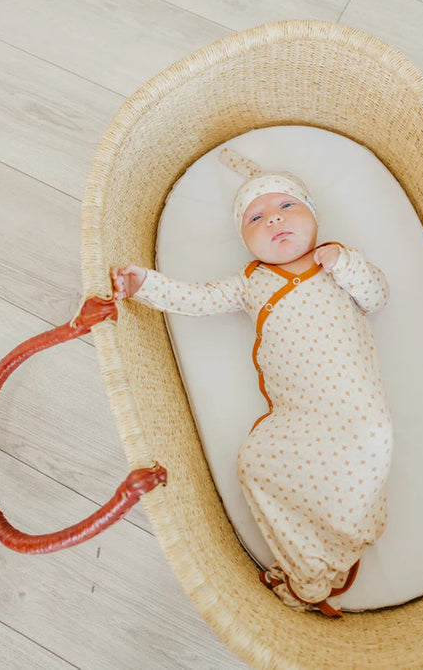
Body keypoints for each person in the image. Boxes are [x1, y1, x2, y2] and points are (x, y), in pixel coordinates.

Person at [110, 146, 393, 617]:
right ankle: (311, 562)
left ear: (314, 218)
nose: (274, 220)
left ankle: (336, 552)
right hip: (298, 410)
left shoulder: (336, 265)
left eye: (287, 206)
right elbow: (196, 299)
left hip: (353, 406)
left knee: (368, 442)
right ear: (245, 242)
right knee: (257, 464)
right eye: (255, 218)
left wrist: (343, 261)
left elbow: (379, 296)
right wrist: (146, 285)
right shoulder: (249, 283)